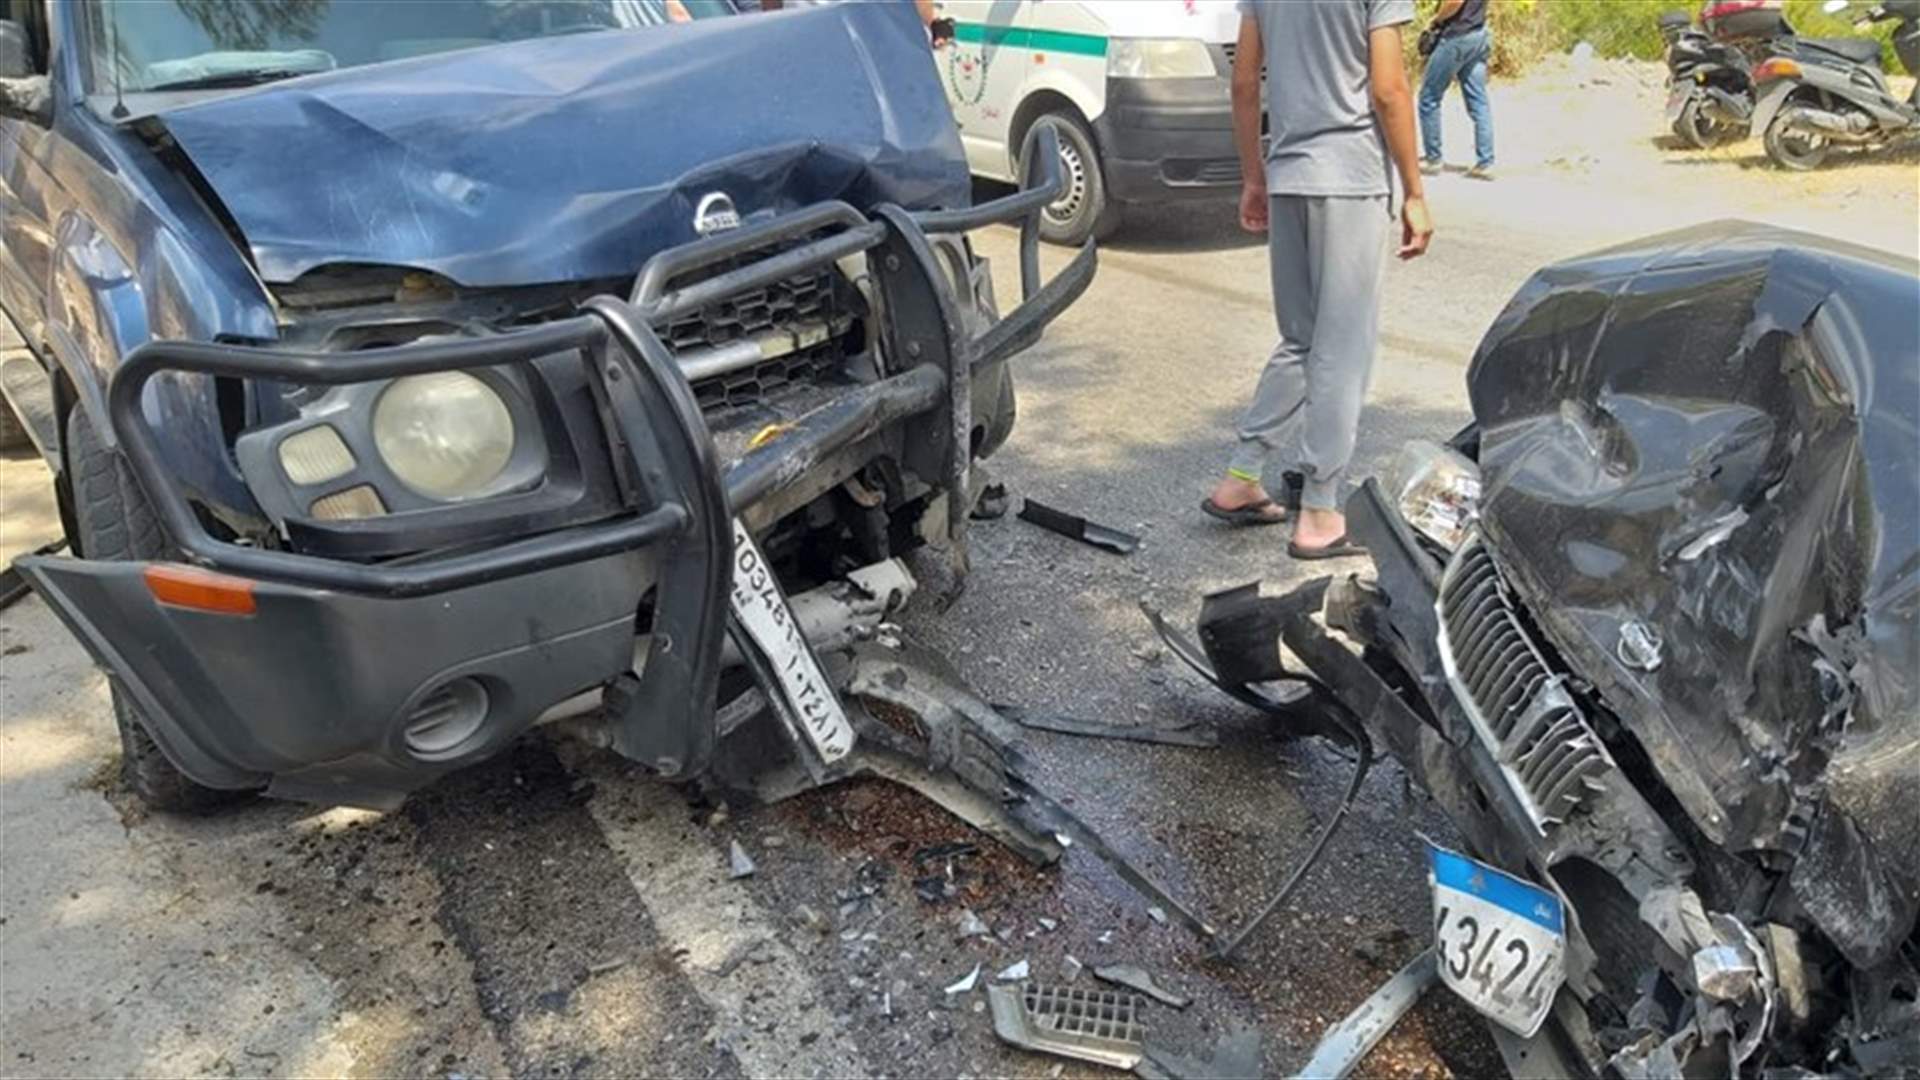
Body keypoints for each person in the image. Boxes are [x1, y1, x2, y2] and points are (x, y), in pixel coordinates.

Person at [1202, 0, 1433, 559]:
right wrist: (1415, 191)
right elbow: (1388, 90)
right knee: (1341, 349)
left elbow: (1242, 82)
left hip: (1288, 172)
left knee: (1300, 339)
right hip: (1350, 177)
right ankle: (1321, 511)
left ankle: (1242, 475)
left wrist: (1253, 177)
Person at [1418, 0, 1494, 179]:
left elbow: (1454, 1)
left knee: (1429, 98)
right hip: (1478, 33)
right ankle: (1485, 163)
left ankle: (1433, 158)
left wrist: (1436, 20)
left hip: (1456, 37)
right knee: (1479, 103)